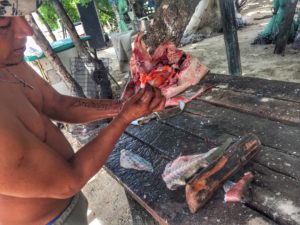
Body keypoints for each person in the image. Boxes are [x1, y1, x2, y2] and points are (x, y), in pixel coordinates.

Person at [0, 2, 166, 225]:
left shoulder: (8, 63)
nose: (27, 31)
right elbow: (68, 181)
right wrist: (124, 118)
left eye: (22, 16)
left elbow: (56, 103)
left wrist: (122, 106)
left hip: (70, 207)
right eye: (3, 24)